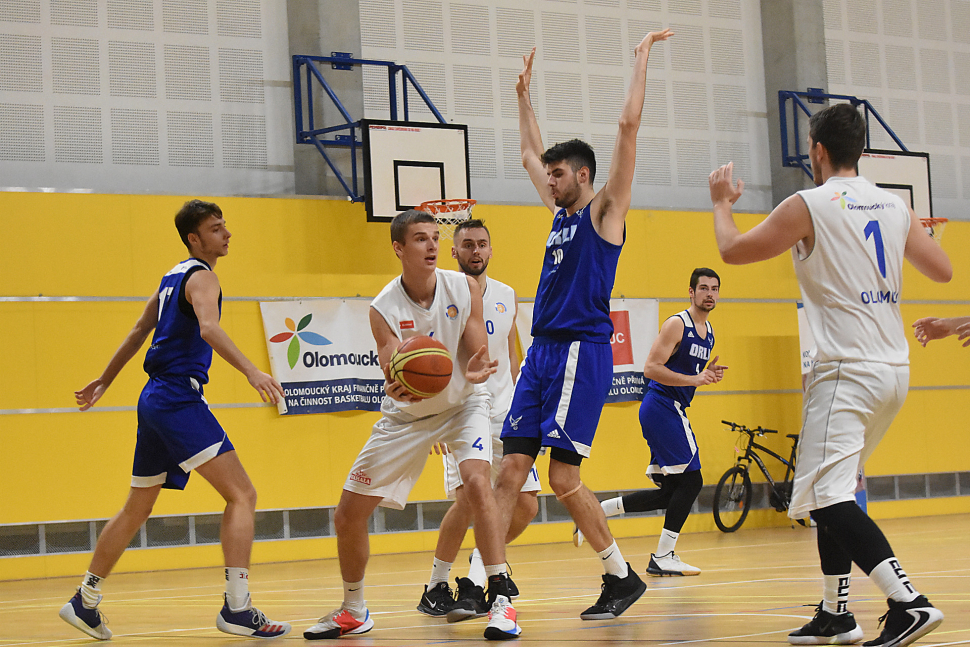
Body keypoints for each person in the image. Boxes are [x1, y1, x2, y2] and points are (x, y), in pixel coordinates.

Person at [708, 102, 951, 647]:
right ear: (860, 149)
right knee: (836, 489)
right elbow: (942, 269)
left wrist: (722, 203)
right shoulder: (895, 206)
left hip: (846, 368)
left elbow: (731, 250)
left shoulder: (809, 204)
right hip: (894, 372)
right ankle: (836, 612)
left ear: (817, 151)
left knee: (822, 496)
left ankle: (908, 602)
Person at [491, 28, 673, 622]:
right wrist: (522, 97)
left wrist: (641, 58)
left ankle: (618, 574)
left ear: (585, 175)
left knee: (562, 473)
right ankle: (491, 581)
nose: (549, 180)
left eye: (559, 174)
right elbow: (527, 153)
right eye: (548, 176)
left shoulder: (604, 211)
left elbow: (626, 130)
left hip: (579, 352)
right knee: (510, 469)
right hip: (544, 354)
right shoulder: (561, 214)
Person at [60, 200, 291, 640]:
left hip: (154, 398)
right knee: (243, 494)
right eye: (216, 228)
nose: (226, 234)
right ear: (194, 238)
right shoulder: (203, 276)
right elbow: (208, 328)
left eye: (226, 227)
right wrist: (252, 371)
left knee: (138, 506)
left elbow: (137, 332)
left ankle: (84, 601)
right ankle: (237, 609)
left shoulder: (171, 277)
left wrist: (105, 381)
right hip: (176, 397)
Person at [303, 210, 521, 641]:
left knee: (477, 482)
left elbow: (475, 340)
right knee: (347, 514)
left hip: (463, 404)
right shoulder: (383, 307)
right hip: (407, 416)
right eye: (420, 239)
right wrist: (398, 381)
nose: (432, 246)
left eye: (435, 238)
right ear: (399, 249)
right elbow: (390, 362)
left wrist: (476, 366)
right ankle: (353, 609)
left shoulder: (463, 286)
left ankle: (500, 600)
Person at [416, 219, 542, 623]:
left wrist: (524, 407)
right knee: (471, 502)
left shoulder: (507, 295)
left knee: (525, 506)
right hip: (463, 410)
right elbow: (428, 360)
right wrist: (434, 414)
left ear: (491, 249)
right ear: (454, 252)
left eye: (482, 244)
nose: (475, 251)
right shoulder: (442, 295)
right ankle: (445, 584)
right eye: (467, 245)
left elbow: (512, 354)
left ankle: (476, 567)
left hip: (506, 412)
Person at [573, 268, 726, 578]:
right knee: (693, 481)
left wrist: (706, 374)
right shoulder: (676, 324)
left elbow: (685, 373)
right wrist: (695, 378)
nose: (709, 293)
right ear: (691, 292)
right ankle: (664, 556)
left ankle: (601, 511)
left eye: (714, 289)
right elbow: (651, 369)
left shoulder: (709, 333)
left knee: (670, 493)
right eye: (704, 288)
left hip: (670, 407)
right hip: (661, 406)